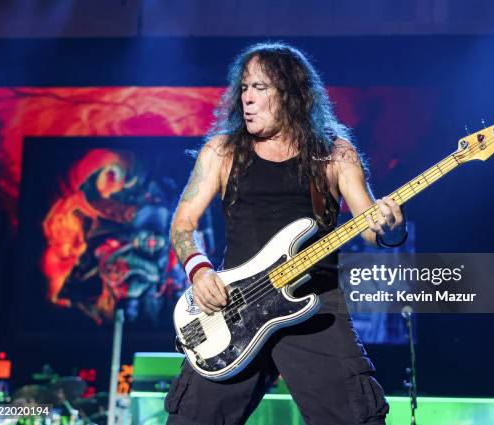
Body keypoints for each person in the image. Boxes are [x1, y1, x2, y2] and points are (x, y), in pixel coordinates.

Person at [165, 42, 407, 425]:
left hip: (315, 309)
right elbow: (183, 225)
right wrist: (199, 271)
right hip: (236, 310)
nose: (247, 98)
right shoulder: (222, 151)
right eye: (243, 87)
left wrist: (390, 223)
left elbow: (371, 227)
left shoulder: (335, 154)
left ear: (291, 94)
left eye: (260, 88)